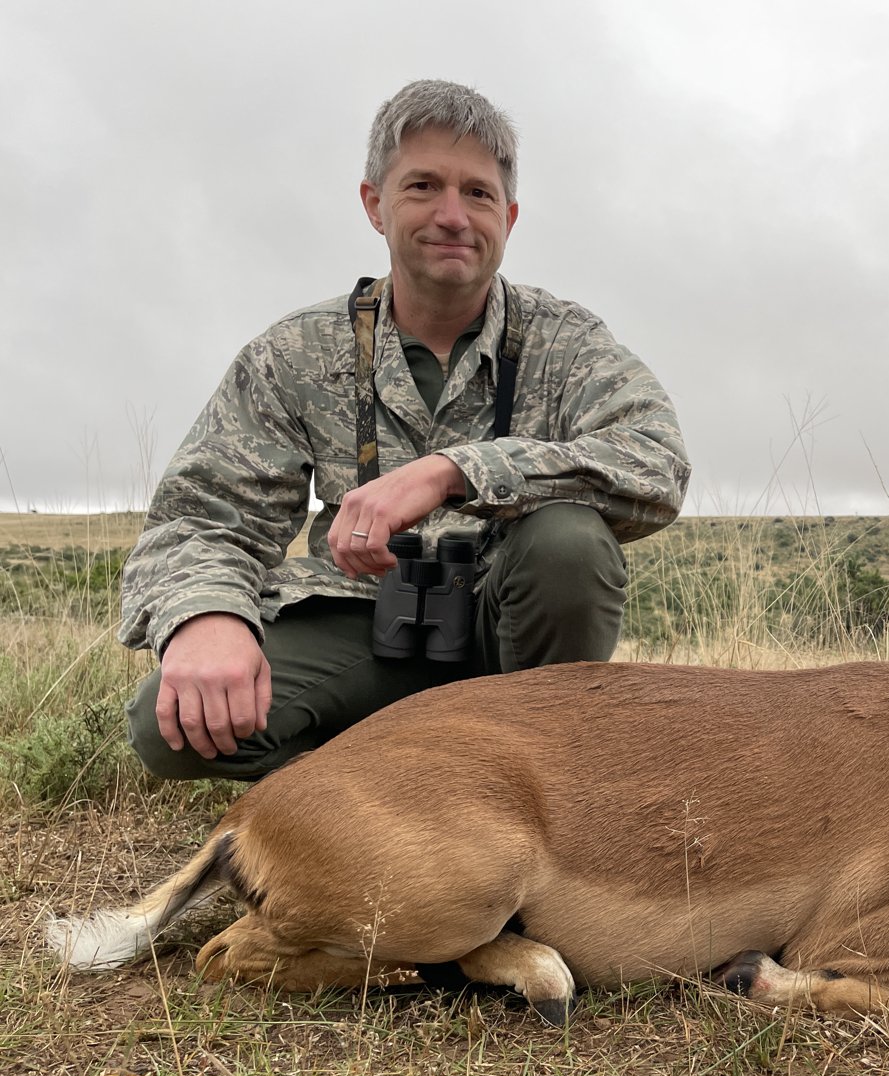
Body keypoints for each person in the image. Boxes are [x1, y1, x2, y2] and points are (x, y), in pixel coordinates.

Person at [119, 80, 690, 781]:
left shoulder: (566, 341)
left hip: (504, 638)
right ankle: (385, 798)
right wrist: (207, 617)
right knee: (170, 726)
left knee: (567, 542)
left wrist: (452, 471)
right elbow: (200, 519)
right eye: (422, 186)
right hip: (362, 627)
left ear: (508, 216)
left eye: (477, 194)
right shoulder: (295, 351)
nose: (453, 216)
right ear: (374, 204)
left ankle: (546, 785)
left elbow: (656, 461)